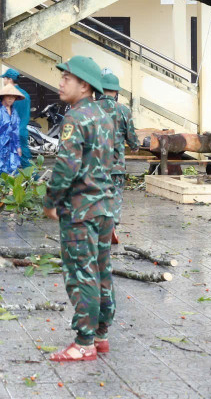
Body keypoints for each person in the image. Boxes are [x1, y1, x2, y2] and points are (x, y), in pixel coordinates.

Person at [42, 55, 116, 362]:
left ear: (84, 85)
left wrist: (50, 201)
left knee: (81, 274)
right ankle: (101, 335)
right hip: (104, 208)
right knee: (101, 272)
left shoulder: (75, 118)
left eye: (66, 78)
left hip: (79, 210)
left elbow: (66, 168)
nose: (60, 83)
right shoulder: (103, 115)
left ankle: (84, 342)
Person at [96, 71, 137, 226]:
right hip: (116, 164)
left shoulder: (91, 108)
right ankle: (114, 221)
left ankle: (99, 220)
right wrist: (134, 146)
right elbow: (131, 136)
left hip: (95, 163)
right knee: (116, 191)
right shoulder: (124, 110)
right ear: (116, 92)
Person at [1, 69, 32, 169]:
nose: (3, 81)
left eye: (4, 78)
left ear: (10, 79)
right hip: (22, 131)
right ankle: (35, 180)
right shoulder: (25, 95)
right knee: (25, 159)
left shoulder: (8, 95)